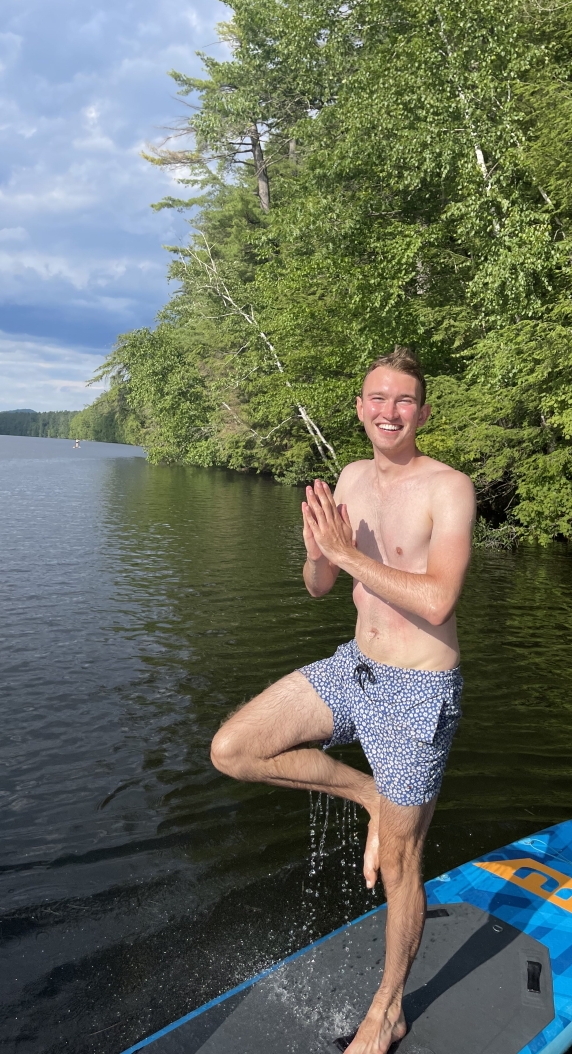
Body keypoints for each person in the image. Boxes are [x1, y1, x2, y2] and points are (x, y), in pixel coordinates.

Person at [210, 347, 475, 1054]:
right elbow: (321, 588)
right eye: (376, 399)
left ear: (422, 411)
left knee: (400, 865)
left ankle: (387, 1011)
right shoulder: (353, 477)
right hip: (354, 667)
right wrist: (318, 554)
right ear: (359, 407)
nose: (389, 412)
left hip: (417, 691)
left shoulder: (449, 489)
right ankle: (368, 796)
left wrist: (348, 552)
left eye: (404, 401)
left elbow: (440, 597)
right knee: (233, 748)